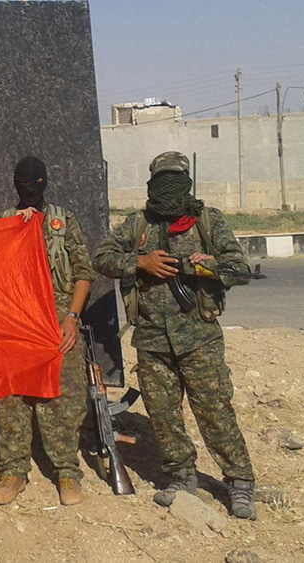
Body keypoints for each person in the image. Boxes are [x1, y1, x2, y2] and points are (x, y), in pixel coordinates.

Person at [92, 151, 257, 520]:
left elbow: (240, 269)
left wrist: (207, 267)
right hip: (152, 341)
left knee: (215, 413)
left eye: (174, 180)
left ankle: (240, 482)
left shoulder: (207, 221)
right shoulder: (138, 224)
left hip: (200, 340)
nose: (168, 189)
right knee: (164, 417)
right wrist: (140, 261)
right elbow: (101, 258)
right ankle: (181, 478)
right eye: (162, 180)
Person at [0, 156, 96, 506]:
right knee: (12, 397)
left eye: (35, 184)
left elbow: (83, 272)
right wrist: (13, 232)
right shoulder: (5, 221)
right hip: (19, 318)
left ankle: (66, 471)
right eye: (24, 184)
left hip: (58, 317)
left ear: (45, 183)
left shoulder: (63, 221)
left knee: (64, 394)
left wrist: (72, 318)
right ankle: (13, 470)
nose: (30, 190)